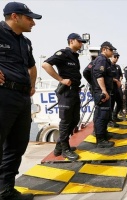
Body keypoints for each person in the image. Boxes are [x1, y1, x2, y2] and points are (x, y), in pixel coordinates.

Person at [0, 2, 41, 200]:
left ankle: (5, 190)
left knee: (17, 145)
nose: (33, 22)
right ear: (15, 16)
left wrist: (31, 85)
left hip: (22, 98)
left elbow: (32, 67)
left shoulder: (25, 42)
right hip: (3, 95)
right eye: (29, 18)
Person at [42, 33, 86, 161]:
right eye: (79, 41)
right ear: (71, 41)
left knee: (74, 120)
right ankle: (65, 150)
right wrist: (61, 80)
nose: (81, 44)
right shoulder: (63, 54)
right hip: (66, 92)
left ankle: (59, 147)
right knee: (66, 121)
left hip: (74, 92)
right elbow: (46, 65)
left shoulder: (74, 56)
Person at [91, 41, 117, 148]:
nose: (112, 52)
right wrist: (103, 90)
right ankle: (100, 139)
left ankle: (103, 134)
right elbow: (99, 75)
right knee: (101, 116)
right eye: (111, 50)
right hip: (102, 92)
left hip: (103, 91)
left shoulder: (105, 61)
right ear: (104, 49)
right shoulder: (101, 60)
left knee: (105, 115)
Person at [110, 51, 123, 122]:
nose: (116, 58)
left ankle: (114, 116)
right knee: (111, 104)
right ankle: (110, 120)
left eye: (117, 57)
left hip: (117, 87)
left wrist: (119, 81)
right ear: (111, 57)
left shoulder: (117, 67)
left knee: (120, 102)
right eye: (115, 57)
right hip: (111, 87)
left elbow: (121, 75)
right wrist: (115, 80)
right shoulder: (108, 65)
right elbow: (107, 76)